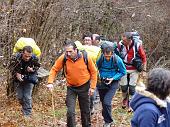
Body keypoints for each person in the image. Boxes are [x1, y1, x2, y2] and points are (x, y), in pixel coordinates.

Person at [47, 40, 97, 127]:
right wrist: (50, 82)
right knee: (70, 111)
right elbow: (54, 69)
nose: (68, 54)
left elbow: (94, 72)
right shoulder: (64, 58)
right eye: (66, 52)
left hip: (84, 86)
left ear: (76, 50)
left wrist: (92, 87)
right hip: (71, 87)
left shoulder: (85, 57)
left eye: (70, 51)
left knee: (85, 111)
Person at [96, 46, 126, 127]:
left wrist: (113, 78)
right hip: (102, 82)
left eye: (109, 56)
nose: (107, 58)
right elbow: (96, 68)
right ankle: (107, 117)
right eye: (106, 56)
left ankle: (108, 121)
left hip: (113, 83)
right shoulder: (101, 58)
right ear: (103, 54)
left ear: (112, 54)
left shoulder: (117, 59)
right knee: (104, 103)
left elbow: (123, 72)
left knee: (107, 102)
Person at [117, 32, 147, 110]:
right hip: (123, 68)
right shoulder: (120, 45)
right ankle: (125, 99)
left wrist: (144, 70)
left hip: (134, 68)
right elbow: (116, 55)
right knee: (123, 86)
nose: (123, 41)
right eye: (122, 40)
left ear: (130, 40)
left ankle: (131, 102)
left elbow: (144, 58)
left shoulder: (137, 45)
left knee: (132, 87)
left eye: (124, 40)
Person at [9, 46, 40, 117]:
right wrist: (16, 73)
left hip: (29, 78)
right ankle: (25, 107)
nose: (27, 58)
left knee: (27, 96)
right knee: (19, 97)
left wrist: (32, 69)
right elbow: (10, 67)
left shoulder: (34, 58)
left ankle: (27, 114)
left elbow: (38, 66)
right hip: (17, 79)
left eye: (29, 56)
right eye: (26, 56)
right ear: (22, 53)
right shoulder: (15, 58)